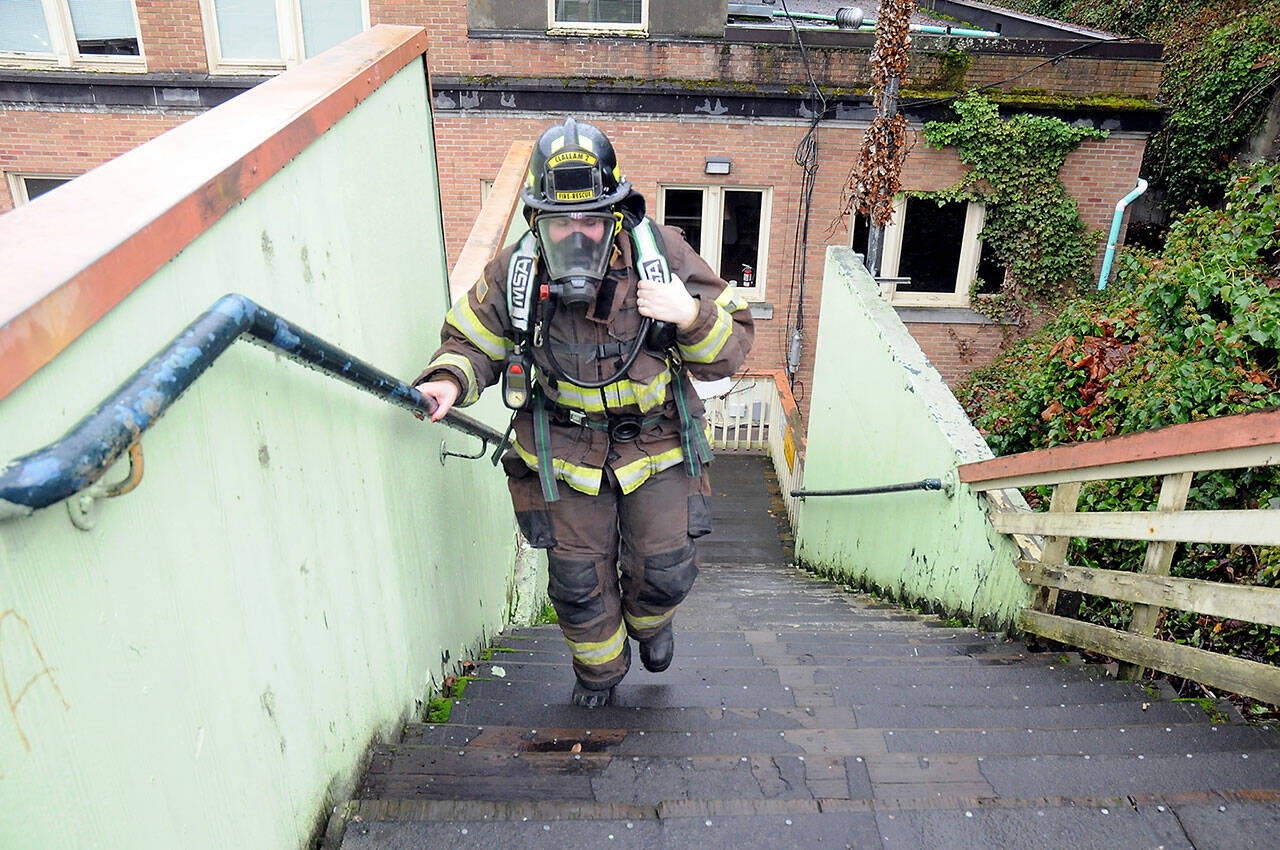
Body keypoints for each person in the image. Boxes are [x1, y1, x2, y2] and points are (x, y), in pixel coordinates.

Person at [414, 117, 753, 707]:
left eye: (591, 221)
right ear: (535, 222)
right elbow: (471, 340)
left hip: (659, 445)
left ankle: (650, 624)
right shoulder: (515, 274)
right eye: (559, 223)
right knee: (576, 586)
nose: (576, 235)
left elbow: (730, 354)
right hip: (564, 453)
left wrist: (687, 314)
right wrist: (448, 380)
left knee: (667, 568)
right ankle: (600, 673)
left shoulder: (664, 255)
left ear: (618, 216)